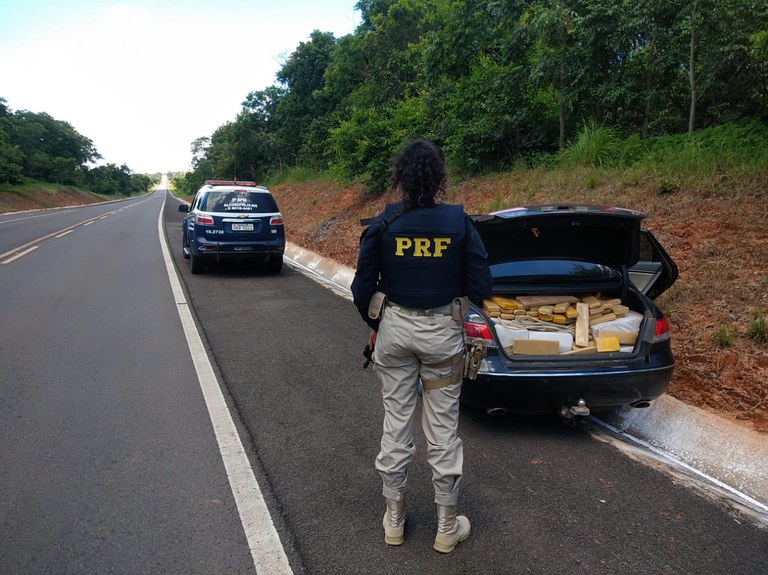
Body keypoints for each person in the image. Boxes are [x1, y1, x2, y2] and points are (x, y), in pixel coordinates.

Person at [351, 140, 492, 553]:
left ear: (401, 176)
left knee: (396, 423)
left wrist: (377, 325)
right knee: (443, 430)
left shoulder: (384, 223)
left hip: (394, 332)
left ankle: (394, 519)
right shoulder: (459, 223)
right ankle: (446, 527)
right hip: (442, 335)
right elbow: (482, 286)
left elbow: (361, 288)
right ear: (439, 177)